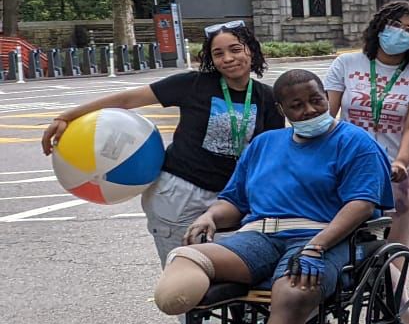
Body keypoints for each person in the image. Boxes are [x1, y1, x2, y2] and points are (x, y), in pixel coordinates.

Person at [148, 69, 392, 324]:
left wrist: (317, 246)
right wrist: (209, 215)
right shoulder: (264, 144)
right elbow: (234, 202)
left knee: (293, 296)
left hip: (321, 237)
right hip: (258, 237)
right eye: (296, 105)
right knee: (187, 257)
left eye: (315, 100)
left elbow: (362, 205)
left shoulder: (354, 142)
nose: (310, 109)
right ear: (282, 110)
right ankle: (187, 294)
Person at [42, 20, 282, 266]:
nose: (228, 58)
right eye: (218, 53)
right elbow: (127, 99)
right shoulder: (193, 84)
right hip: (179, 196)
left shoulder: (268, 98)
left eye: (235, 49)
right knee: (186, 280)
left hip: (232, 200)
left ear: (250, 50)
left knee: (233, 280)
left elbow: (272, 155)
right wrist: (66, 116)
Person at [324, 0, 409, 271]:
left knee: (394, 257)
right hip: (353, 167)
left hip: (402, 174)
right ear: (380, 26)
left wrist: (400, 161)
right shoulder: (347, 64)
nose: (400, 33)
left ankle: (403, 313)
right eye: (395, 25)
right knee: (349, 246)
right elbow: (327, 115)